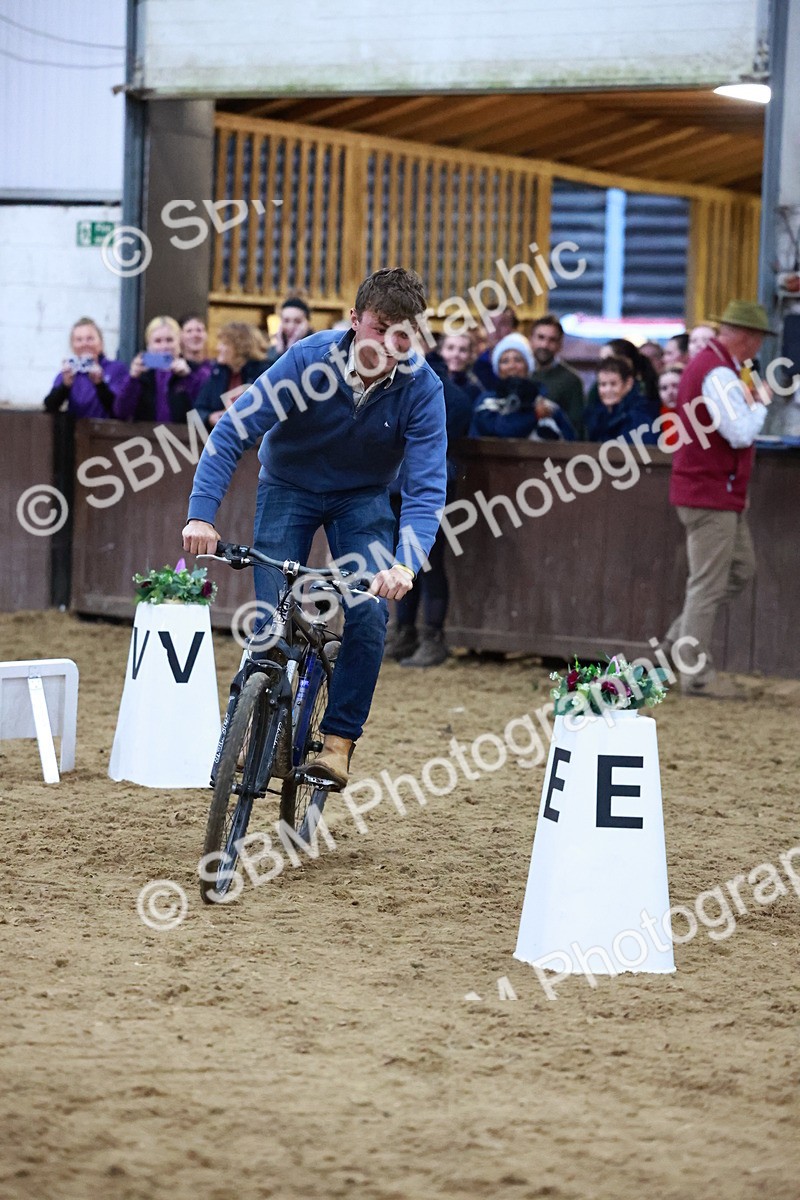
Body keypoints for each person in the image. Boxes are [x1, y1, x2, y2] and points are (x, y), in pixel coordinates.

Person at [182, 268, 447, 786]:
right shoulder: (307, 359)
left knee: (369, 614)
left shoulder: (423, 388)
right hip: (289, 486)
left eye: (403, 333)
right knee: (273, 614)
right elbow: (234, 432)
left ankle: (338, 743)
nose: (389, 344)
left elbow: (425, 486)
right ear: (354, 321)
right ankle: (260, 727)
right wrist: (200, 513)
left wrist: (405, 564)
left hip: (362, 499)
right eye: (379, 328)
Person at [661, 300, 771, 699]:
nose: (757, 350)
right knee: (708, 585)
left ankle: (678, 643)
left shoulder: (711, 367)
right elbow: (740, 433)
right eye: (757, 341)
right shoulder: (720, 374)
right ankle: (697, 675)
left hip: (713, 492)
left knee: (738, 570)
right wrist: (760, 403)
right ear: (748, 337)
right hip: (711, 492)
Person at [386, 333, 477, 668]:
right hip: (405, 482)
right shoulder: (414, 381)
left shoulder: (434, 385)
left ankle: (430, 635)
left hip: (426, 484)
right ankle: (405, 631)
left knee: (428, 561)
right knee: (407, 559)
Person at [470, 333, 575, 440]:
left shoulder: (547, 406)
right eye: (505, 361)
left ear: (528, 366)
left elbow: (570, 442)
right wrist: (534, 415)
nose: (512, 366)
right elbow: (501, 430)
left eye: (518, 360)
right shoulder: (486, 402)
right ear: (498, 368)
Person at [115, 316, 206, 423]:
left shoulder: (195, 370)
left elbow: (203, 412)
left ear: (179, 343)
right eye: (158, 341)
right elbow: (121, 413)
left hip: (183, 438)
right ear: (149, 346)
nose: (164, 346)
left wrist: (188, 378)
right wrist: (132, 379)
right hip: (146, 436)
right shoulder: (141, 373)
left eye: (169, 340)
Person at [43, 317, 127, 418]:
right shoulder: (69, 373)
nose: (85, 344)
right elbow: (50, 407)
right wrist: (65, 386)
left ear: (100, 343)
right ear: (73, 346)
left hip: (109, 431)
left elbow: (119, 409)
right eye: (79, 340)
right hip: (78, 432)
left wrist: (100, 384)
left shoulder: (116, 369)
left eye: (90, 339)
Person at [194, 322, 268, 429]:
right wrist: (209, 417)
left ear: (240, 347)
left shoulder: (263, 372)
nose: (218, 348)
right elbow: (198, 409)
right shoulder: (217, 373)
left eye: (223, 343)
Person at [529, 313, 586, 437]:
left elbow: (576, 427)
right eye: (541, 337)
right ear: (531, 339)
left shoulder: (571, 381)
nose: (544, 345)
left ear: (560, 344)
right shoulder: (519, 373)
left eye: (552, 340)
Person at [584, 356, 656, 443]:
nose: (608, 390)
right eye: (603, 384)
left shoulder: (640, 416)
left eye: (613, 384)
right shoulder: (595, 415)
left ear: (628, 383)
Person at [472, 307, 519, 389]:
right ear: (483, 328)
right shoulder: (475, 366)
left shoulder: (522, 366)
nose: (496, 329)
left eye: (503, 324)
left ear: (513, 328)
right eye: (491, 324)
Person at [264, 297, 313, 367]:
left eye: (297, 321)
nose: (291, 326)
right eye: (286, 321)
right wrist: (279, 351)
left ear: (307, 322)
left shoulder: (315, 348)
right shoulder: (271, 351)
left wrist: (292, 347)